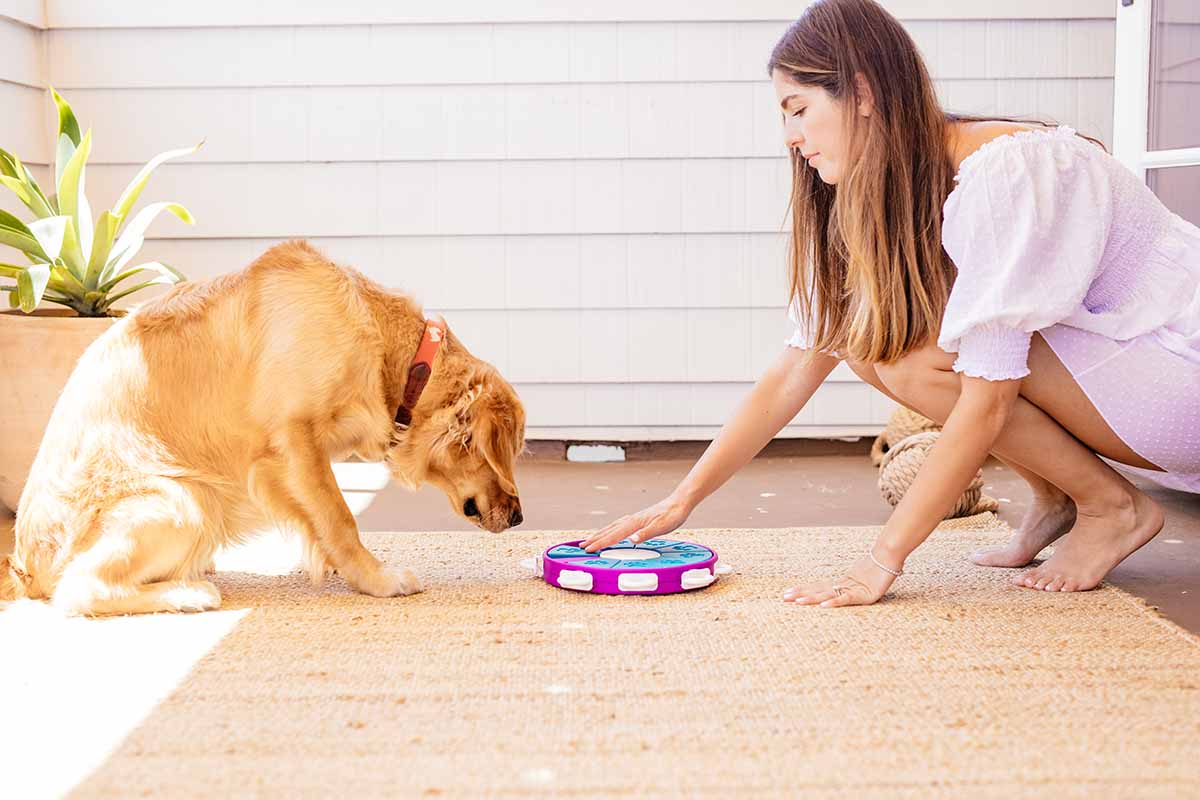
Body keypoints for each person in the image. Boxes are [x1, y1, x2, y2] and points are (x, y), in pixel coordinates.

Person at [581, 0, 1200, 607]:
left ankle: (1112, 507)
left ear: (864, 91)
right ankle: (1064, 497)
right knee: (867, 341)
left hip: (1180, 380)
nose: (792, 137)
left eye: (799, 110)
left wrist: (880, 563)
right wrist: (683, 498)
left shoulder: (1005, 172)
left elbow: (988, 403)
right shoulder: (897, 185)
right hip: (1135, 384)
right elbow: (800, 363)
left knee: (910, 354)